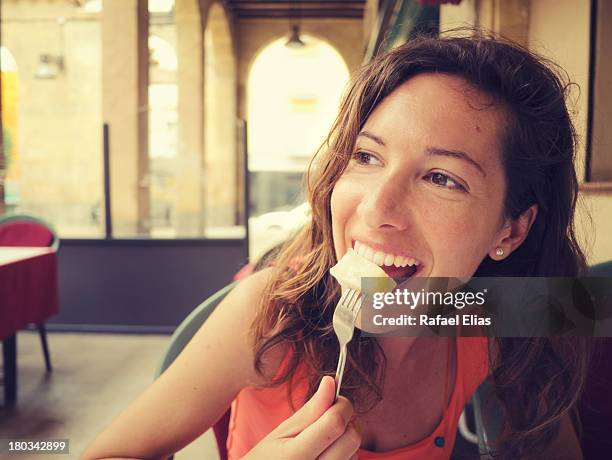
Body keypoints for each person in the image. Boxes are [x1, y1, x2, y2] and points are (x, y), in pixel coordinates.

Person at [82, 30, 590, 460]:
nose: (374, 210)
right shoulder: (269, 317)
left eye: (441, 178)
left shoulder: (490, 318)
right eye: (367, 157)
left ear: (511, 230)